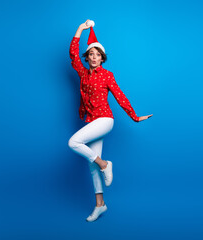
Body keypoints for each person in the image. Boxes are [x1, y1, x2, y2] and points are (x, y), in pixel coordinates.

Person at [68, 20, 153, 222]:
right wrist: (80, 29)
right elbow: (72, 54)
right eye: (91, 54)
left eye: (98, 55)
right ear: (87, 58)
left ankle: (105, 164)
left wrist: (134, 117)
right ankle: (100, 205)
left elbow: (120, 96)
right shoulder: (82, 73)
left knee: (74, 143)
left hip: (105, 119)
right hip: (91, 121)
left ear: (102, 58)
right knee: (92, 165)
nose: (94, 57)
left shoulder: (107, 75)